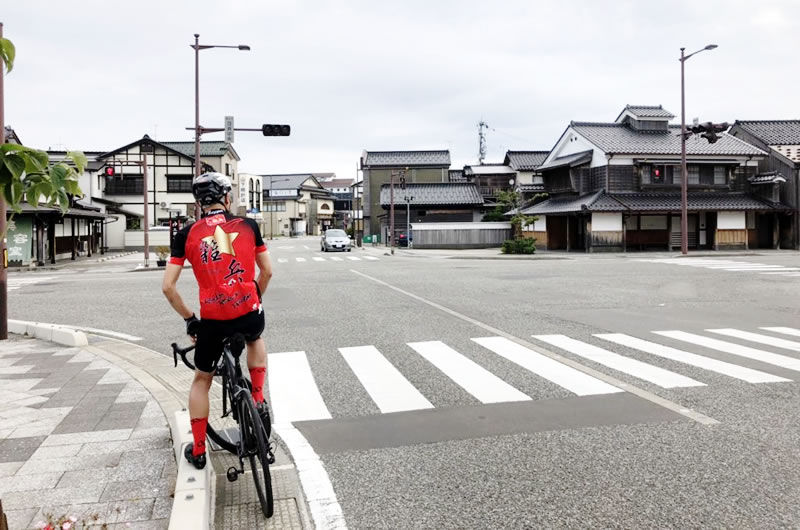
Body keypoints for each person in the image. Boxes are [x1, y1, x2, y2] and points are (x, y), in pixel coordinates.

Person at [162, 172, 273, 470]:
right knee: (255, 338)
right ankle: (259, 397)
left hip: (213, 319)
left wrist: (190, 320)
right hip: (248, 311)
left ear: (199, 203)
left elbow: (168, 287)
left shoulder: (186, 235)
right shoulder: (248, 226)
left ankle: (198, 449)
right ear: (227, 198)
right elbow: (267, 272)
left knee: (202, 379)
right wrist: (255, 299)